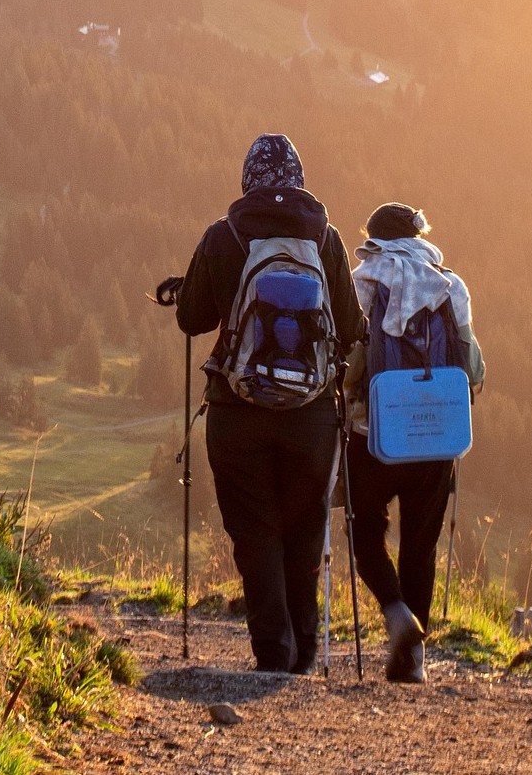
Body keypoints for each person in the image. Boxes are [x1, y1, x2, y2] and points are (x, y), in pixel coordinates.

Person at [175, 134, 365, 674]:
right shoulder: (325, 239)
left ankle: (273, 652)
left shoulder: (224, 235)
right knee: (305, 530)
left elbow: (192, 319)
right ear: (298, 180)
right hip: (312, 416)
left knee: (255, 531)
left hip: (237, 413)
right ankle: (303, 653)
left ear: (247, 181)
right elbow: (351, 327)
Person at [344, 202, 485, 683]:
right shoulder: (449, 285)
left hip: (374, 437)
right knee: (420, 549)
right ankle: (414, 663)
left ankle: (395, 610)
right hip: (436, 437)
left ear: (374, 239)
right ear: (418, 236)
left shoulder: (361, 283)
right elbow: (473, 369)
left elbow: (346, 364)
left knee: (365, 533)